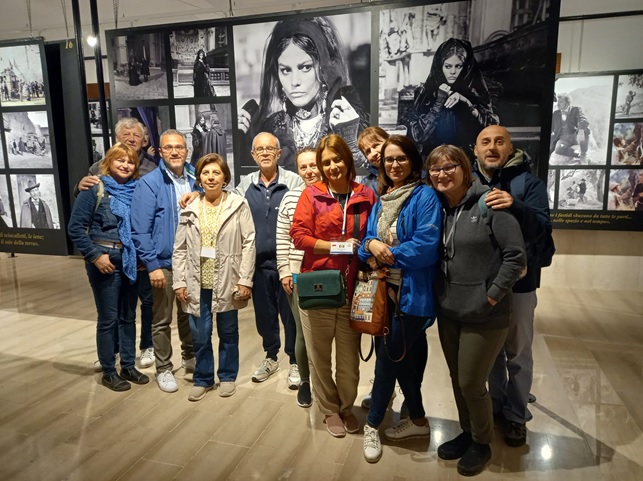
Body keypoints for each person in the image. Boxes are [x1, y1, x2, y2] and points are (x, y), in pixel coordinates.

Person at [427, 144, 526, 476]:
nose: (441, 174)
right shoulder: (436, 208)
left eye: (449, 167)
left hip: (486, 313)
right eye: (434, 169)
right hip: (449, 309)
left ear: (464, 168)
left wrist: (492, 296)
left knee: (471, 381)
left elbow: (516, 257)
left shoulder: (491, 203)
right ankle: (468, 432)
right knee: (457, 379)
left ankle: (482, 442)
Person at [358, 135, 441, 463]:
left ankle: (373, 423)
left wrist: (384, 252)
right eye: (388, 160)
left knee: (388, 363)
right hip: (382, 295)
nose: (393, 165)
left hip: (410, 296)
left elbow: (426, 245)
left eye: (400, 159)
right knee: (401, 362)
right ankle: (418, 419)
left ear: (413, 162)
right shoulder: (383, 198)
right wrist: (371, 247)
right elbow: (365, 240)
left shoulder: (425, 197)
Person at [290, 134, 377, 438]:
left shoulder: (366, 194)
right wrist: (338, 247)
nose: (332, 166)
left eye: (337, 159)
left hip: (354, 291)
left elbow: (372, 234)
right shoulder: (311, 195)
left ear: (347, 160)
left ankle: (346, 406)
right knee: (319, 356)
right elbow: (299, 237)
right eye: (326, 162)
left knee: (349, 363)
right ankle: (329, 409)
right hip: (318, 287)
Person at [473, 125, 551, 448]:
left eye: (499, 141)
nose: (492, 147)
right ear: (475, 149)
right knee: (490, 353)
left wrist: (515, 205)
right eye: (485, 142)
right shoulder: (470, 183)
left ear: (510, 148)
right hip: (483, 286)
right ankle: (496, 406)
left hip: (519, 287)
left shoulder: (529, 184)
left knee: (518, 352)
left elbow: (543, 229)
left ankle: (517, 416)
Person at [67, 143, 150, 391]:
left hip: (130, 260)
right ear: (109, 163)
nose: (125, 165)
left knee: (128, 316)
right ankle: (108, 371)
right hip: (104, 260)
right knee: (108, 318)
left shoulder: (137, 190)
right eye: (120, 160)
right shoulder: (95, 189)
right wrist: (95, 256)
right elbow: (75, 228)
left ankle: (127, 365)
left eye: (130, 162)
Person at [77, 118, 158, 370]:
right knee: (110, 314)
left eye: (137, 134)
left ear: (143, 139)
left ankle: (143, 349)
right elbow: (81, 213)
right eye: (127, 133)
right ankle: (110, 357)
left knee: (141, 306)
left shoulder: (152, 168)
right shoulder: (97, 173)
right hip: (106, 254)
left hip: (137, 254)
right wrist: (78, 186)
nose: (132, 138)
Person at [173, 154, 256, 401]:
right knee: (200, 333)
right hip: (197, 280)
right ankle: (203, 378)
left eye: (216, 173)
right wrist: (179, 280)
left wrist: (245, 279)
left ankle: (228, 376)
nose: (211, 177)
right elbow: (179, 248)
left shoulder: (238, 205)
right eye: (206, 173)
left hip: (228, 279)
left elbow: (249, 242)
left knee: (229, 331)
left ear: (225, 177)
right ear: (199, 178)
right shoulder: (190, 208)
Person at [237, 16, 369, 170]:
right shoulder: (271, 128)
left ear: (322, 68)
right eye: (286, 70)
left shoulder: (347, 119)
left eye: (305, 67)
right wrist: (241, 139)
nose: (294, 81)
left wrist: (350, 142)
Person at [235, 132, 303, 385]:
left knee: (291, 317)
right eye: (259, 149)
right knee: (265, 317)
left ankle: (295, 362)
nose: (264, 153)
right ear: (253, 154)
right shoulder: (244, 186)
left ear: (278, 153)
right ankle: (271, 357)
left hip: (288, 264)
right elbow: (223, 202)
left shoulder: (294, 182)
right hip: (258, 265)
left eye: (269, 149)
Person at [131, 129, 196, 393]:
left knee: (188, 314)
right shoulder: (149, 183)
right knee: (161, 319)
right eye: (168, 148)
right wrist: (153, 265)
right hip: (164, 262)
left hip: (192, 261)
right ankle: (164, 368)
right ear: (159, 152)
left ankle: (189, 356)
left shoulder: (196, 178)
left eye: (179, 147)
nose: (174, 152)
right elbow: (140, 229)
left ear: (186, 150)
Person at [276, 147, 321, 408]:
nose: (309, 171)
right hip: (296, 273)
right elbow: (282, 237)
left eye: (313, 165)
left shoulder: (333, 195)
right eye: (303, 167)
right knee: (302, 333)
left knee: (330, 334)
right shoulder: (290, 197)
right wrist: (284, 271)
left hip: (327, 272)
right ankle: (305, 381)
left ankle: (327, 383)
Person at [401, 38, 498, 158]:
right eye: (448, 66)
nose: (453, 71)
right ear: (440, 66)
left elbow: (491, 129)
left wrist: (466, 102)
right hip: (435, 160)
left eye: (458, 66)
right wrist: (438, 102)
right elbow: (418, 136)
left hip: (466, 160)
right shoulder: (425, 93)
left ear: (466, 67)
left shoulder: (476, 92)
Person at [550, 93, 591, 162]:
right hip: (563, 138)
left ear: (567, 103)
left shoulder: (576, 110)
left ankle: (584, 154)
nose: (558, 104)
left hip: (574, 136)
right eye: (558, 102)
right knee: (558, 148)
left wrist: (581, 130)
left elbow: (583, 119)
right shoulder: (556, 114)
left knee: (585, 130)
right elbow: (551, 127)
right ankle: (579, 155)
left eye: (560, 102)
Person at [357, 126, 389, 197]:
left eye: (376, 145)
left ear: (388, 142)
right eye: (368, 151)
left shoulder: (411, 173)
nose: (373, 153)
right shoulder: (366, 184)